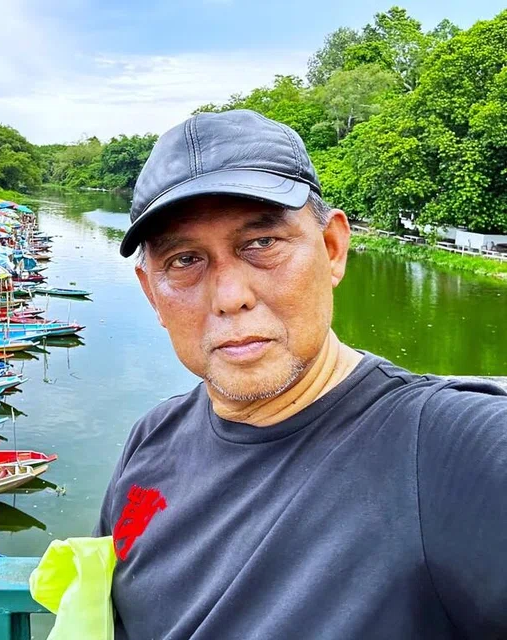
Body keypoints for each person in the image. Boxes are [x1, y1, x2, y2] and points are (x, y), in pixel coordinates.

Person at [97, 109, 507, 639]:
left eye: (262, 244)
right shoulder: (151, 440)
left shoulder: (452, 450)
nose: (230, 297)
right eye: (184, 260)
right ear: (152, 293)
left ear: (333, 249)